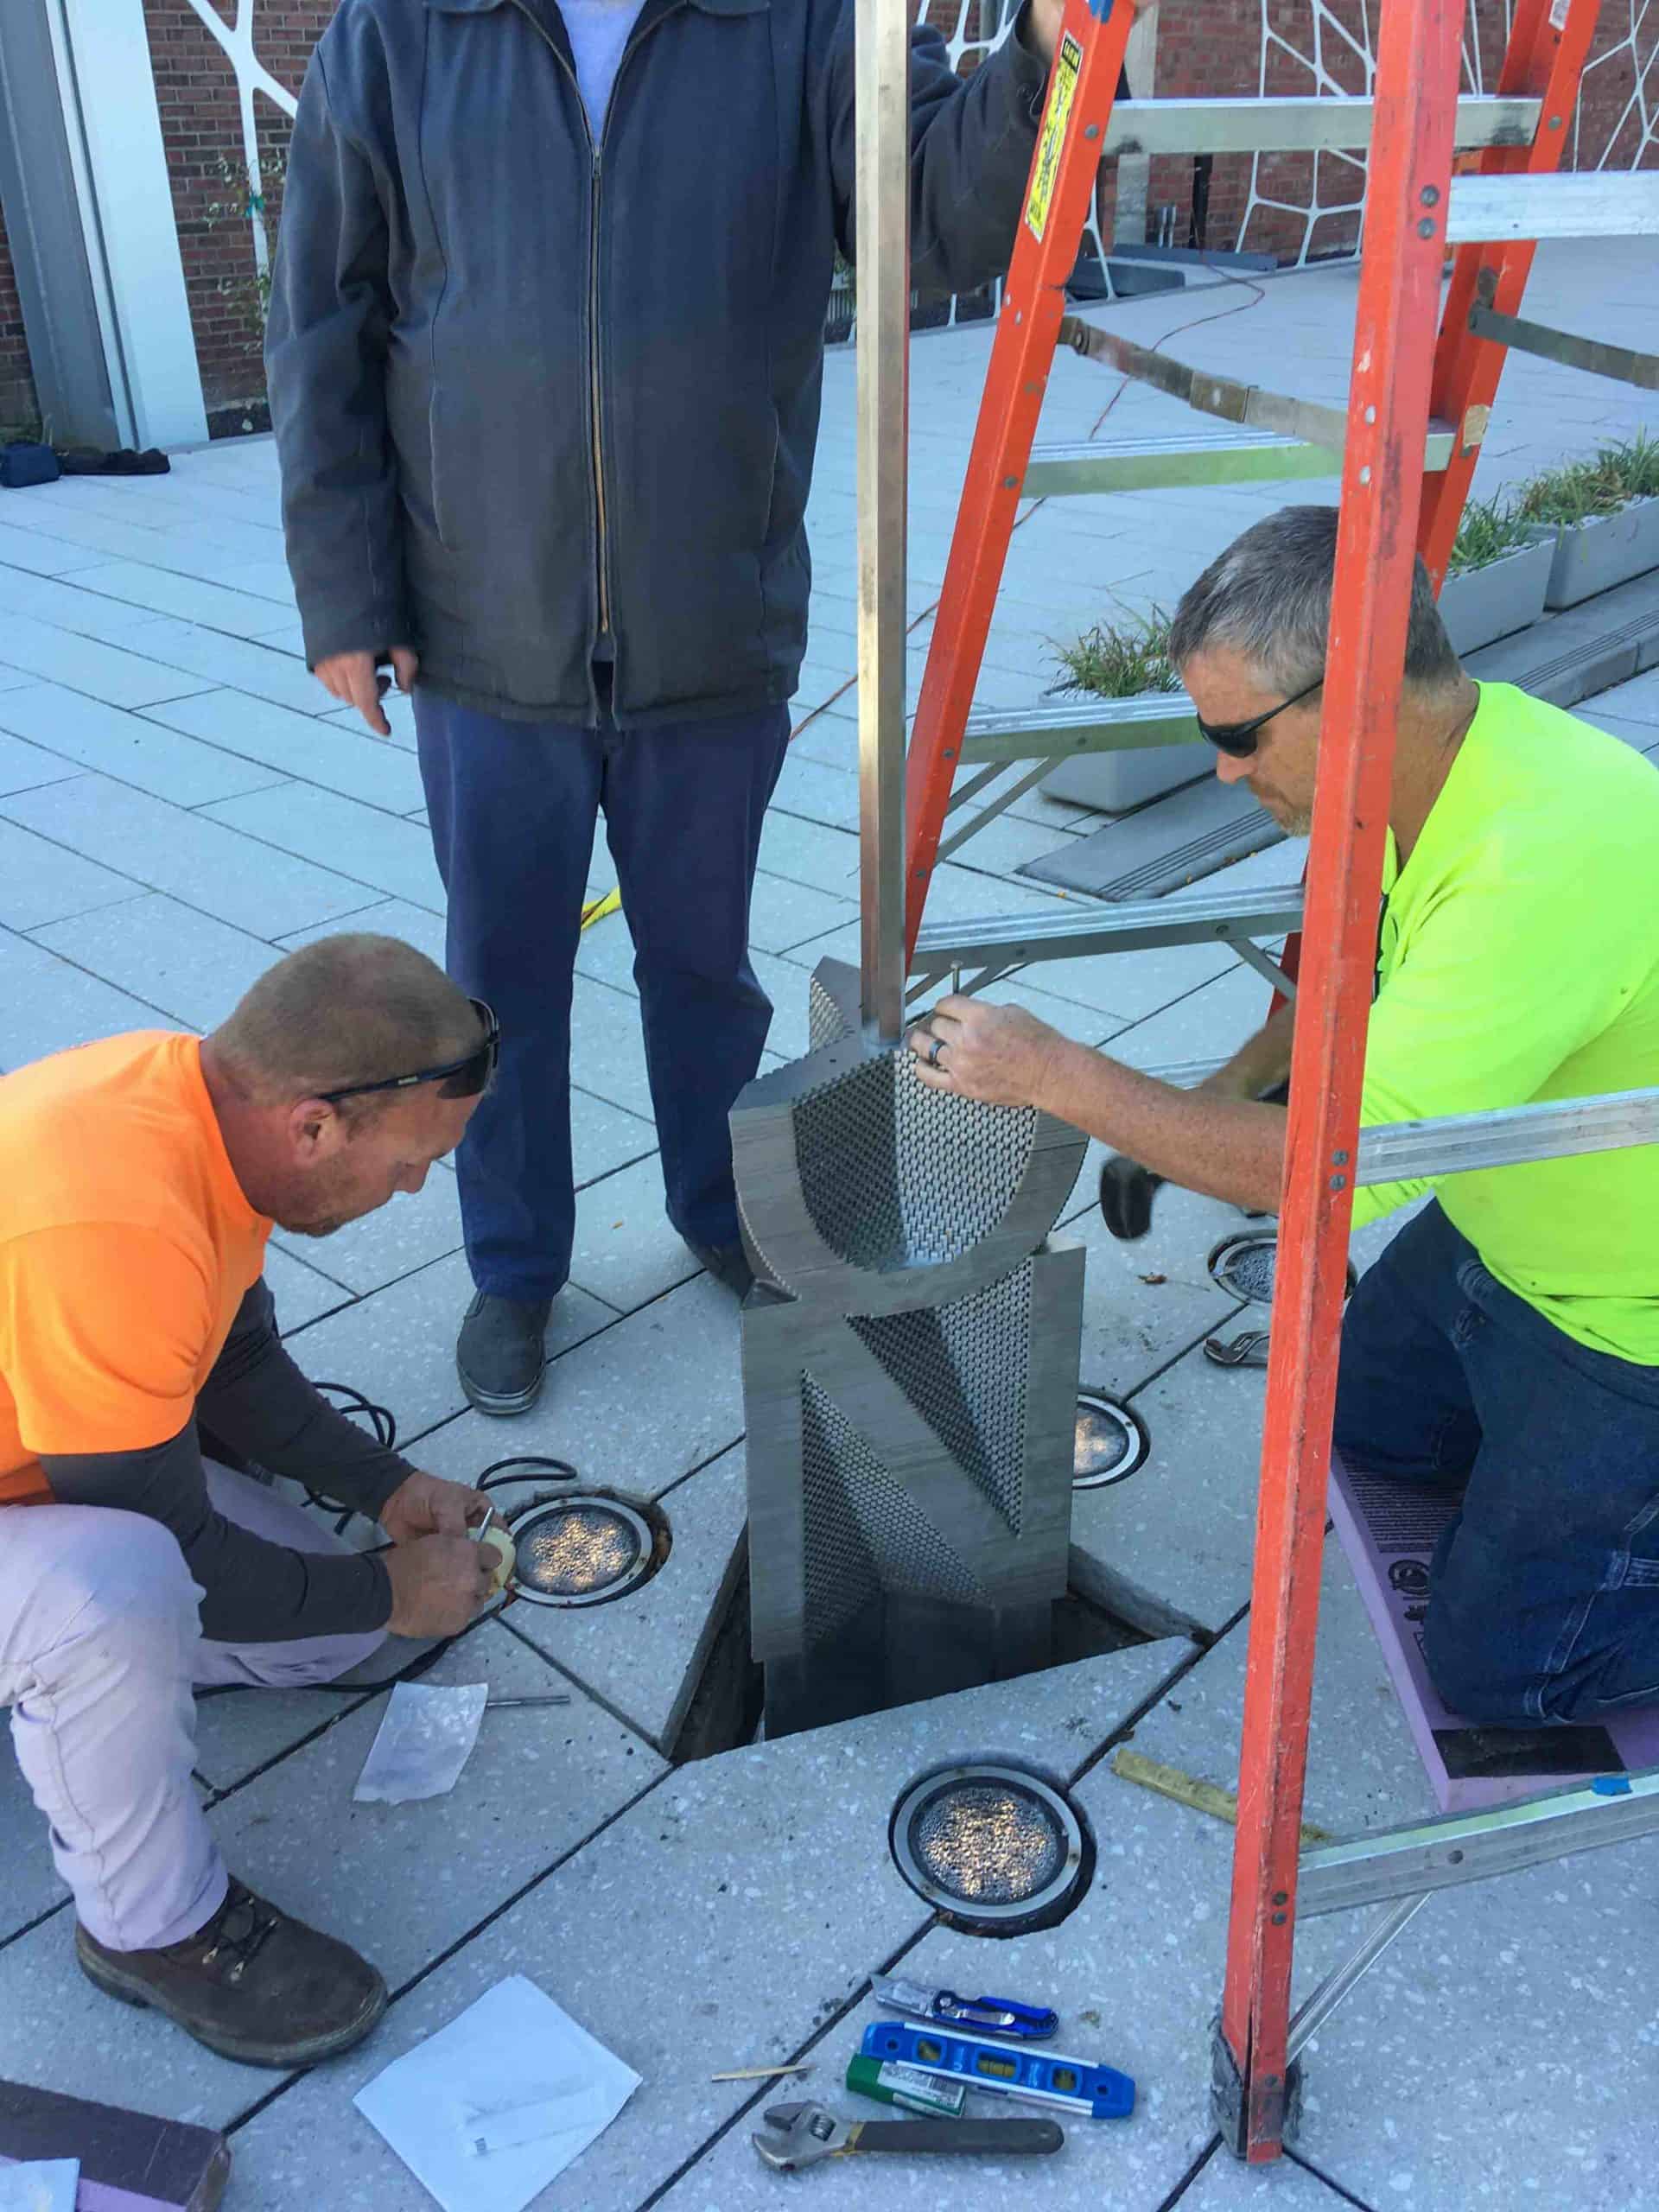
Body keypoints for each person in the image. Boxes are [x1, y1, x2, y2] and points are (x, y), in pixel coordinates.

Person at [264, 0, 1078, 1418]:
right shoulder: (400, 30)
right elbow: (323, 315)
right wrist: (347, 594)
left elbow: (935, 229)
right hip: (482, 623)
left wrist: (1035, 60)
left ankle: (720, 1210)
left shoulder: (808, 20)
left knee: (703, 969)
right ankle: (514, 1269)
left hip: (709, 616)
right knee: (496, 981)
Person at [906, 504, 1659, 1732]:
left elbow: (1316, 1175)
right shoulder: (1421, 781)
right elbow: (1326, 1010)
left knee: (1506, 1680)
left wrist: (1060, 1075)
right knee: (1365, 1432)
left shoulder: (1549, 857)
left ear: (1354, 692)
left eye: (1238, 736)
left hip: (1634, 1314)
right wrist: (1196, 1109)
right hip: (1499, 1235)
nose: (1222, 769)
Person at [0, 937, 502, 2067]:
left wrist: (382, 1489)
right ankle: (149, 1931)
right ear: (316, 1128)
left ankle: (61, 1688)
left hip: (37, 1471)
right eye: (410, 1162)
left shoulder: (193, 1101)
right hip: (80, 1520)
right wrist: (382, 1585)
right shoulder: (114, 1222)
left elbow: (234, 1362)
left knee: (324, 1638)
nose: (417, 1187)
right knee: (116, 1595)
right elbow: (164, 1556)